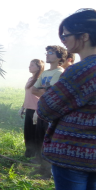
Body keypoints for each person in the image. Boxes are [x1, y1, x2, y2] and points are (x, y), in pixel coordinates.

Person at [37, 8, 96, 190]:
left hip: (72, 151)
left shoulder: (80, 71)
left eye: (66, 36)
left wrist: (49, 93)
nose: (63, 41)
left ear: (84, 36)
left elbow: (46, 108)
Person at [30, 45, 67, 174]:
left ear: (59, 57)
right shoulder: (45, 73)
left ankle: (49, 170)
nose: (47, 55)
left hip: (52, 112)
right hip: (42, 110)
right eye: (47, 52)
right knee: (40, 138)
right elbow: (33, 90)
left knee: (49, 139)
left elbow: (53, 92)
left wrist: (46, 92)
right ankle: (42, 167)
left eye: (51, 53)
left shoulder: (59, 72)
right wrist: (46, 92)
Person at [19, 59, 45, 158]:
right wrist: (23, 107)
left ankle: (38, 155)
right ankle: (29, 153)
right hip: (29, 109)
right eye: (30, 65)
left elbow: (43, 95)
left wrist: (38, 110)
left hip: (37, 110)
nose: (29, 67)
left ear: (39, 67)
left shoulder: (41, 80)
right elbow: (28, 95)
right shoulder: (30, 79)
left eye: (32, 65)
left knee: (36, 133)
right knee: (28, 132)